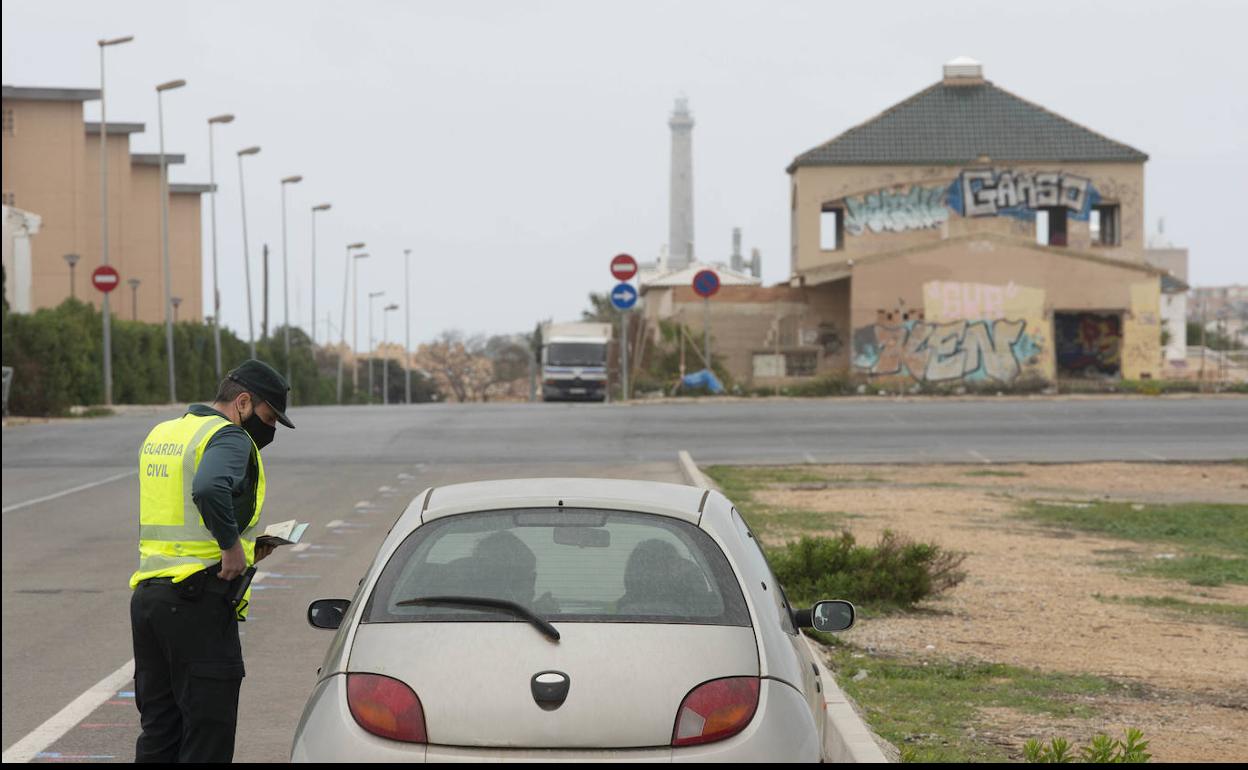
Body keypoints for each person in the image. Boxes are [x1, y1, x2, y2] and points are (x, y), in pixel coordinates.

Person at [128, 359, 295, 763]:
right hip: (196, 603)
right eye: (268, 416)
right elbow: (207, 488)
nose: (269, 429)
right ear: (242, 403)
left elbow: (181, 515)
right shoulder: (229, 437)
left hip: (149, 600)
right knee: (208, 737)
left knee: (160, 732)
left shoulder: (164, 433)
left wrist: (248, 546)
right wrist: (231, 547)